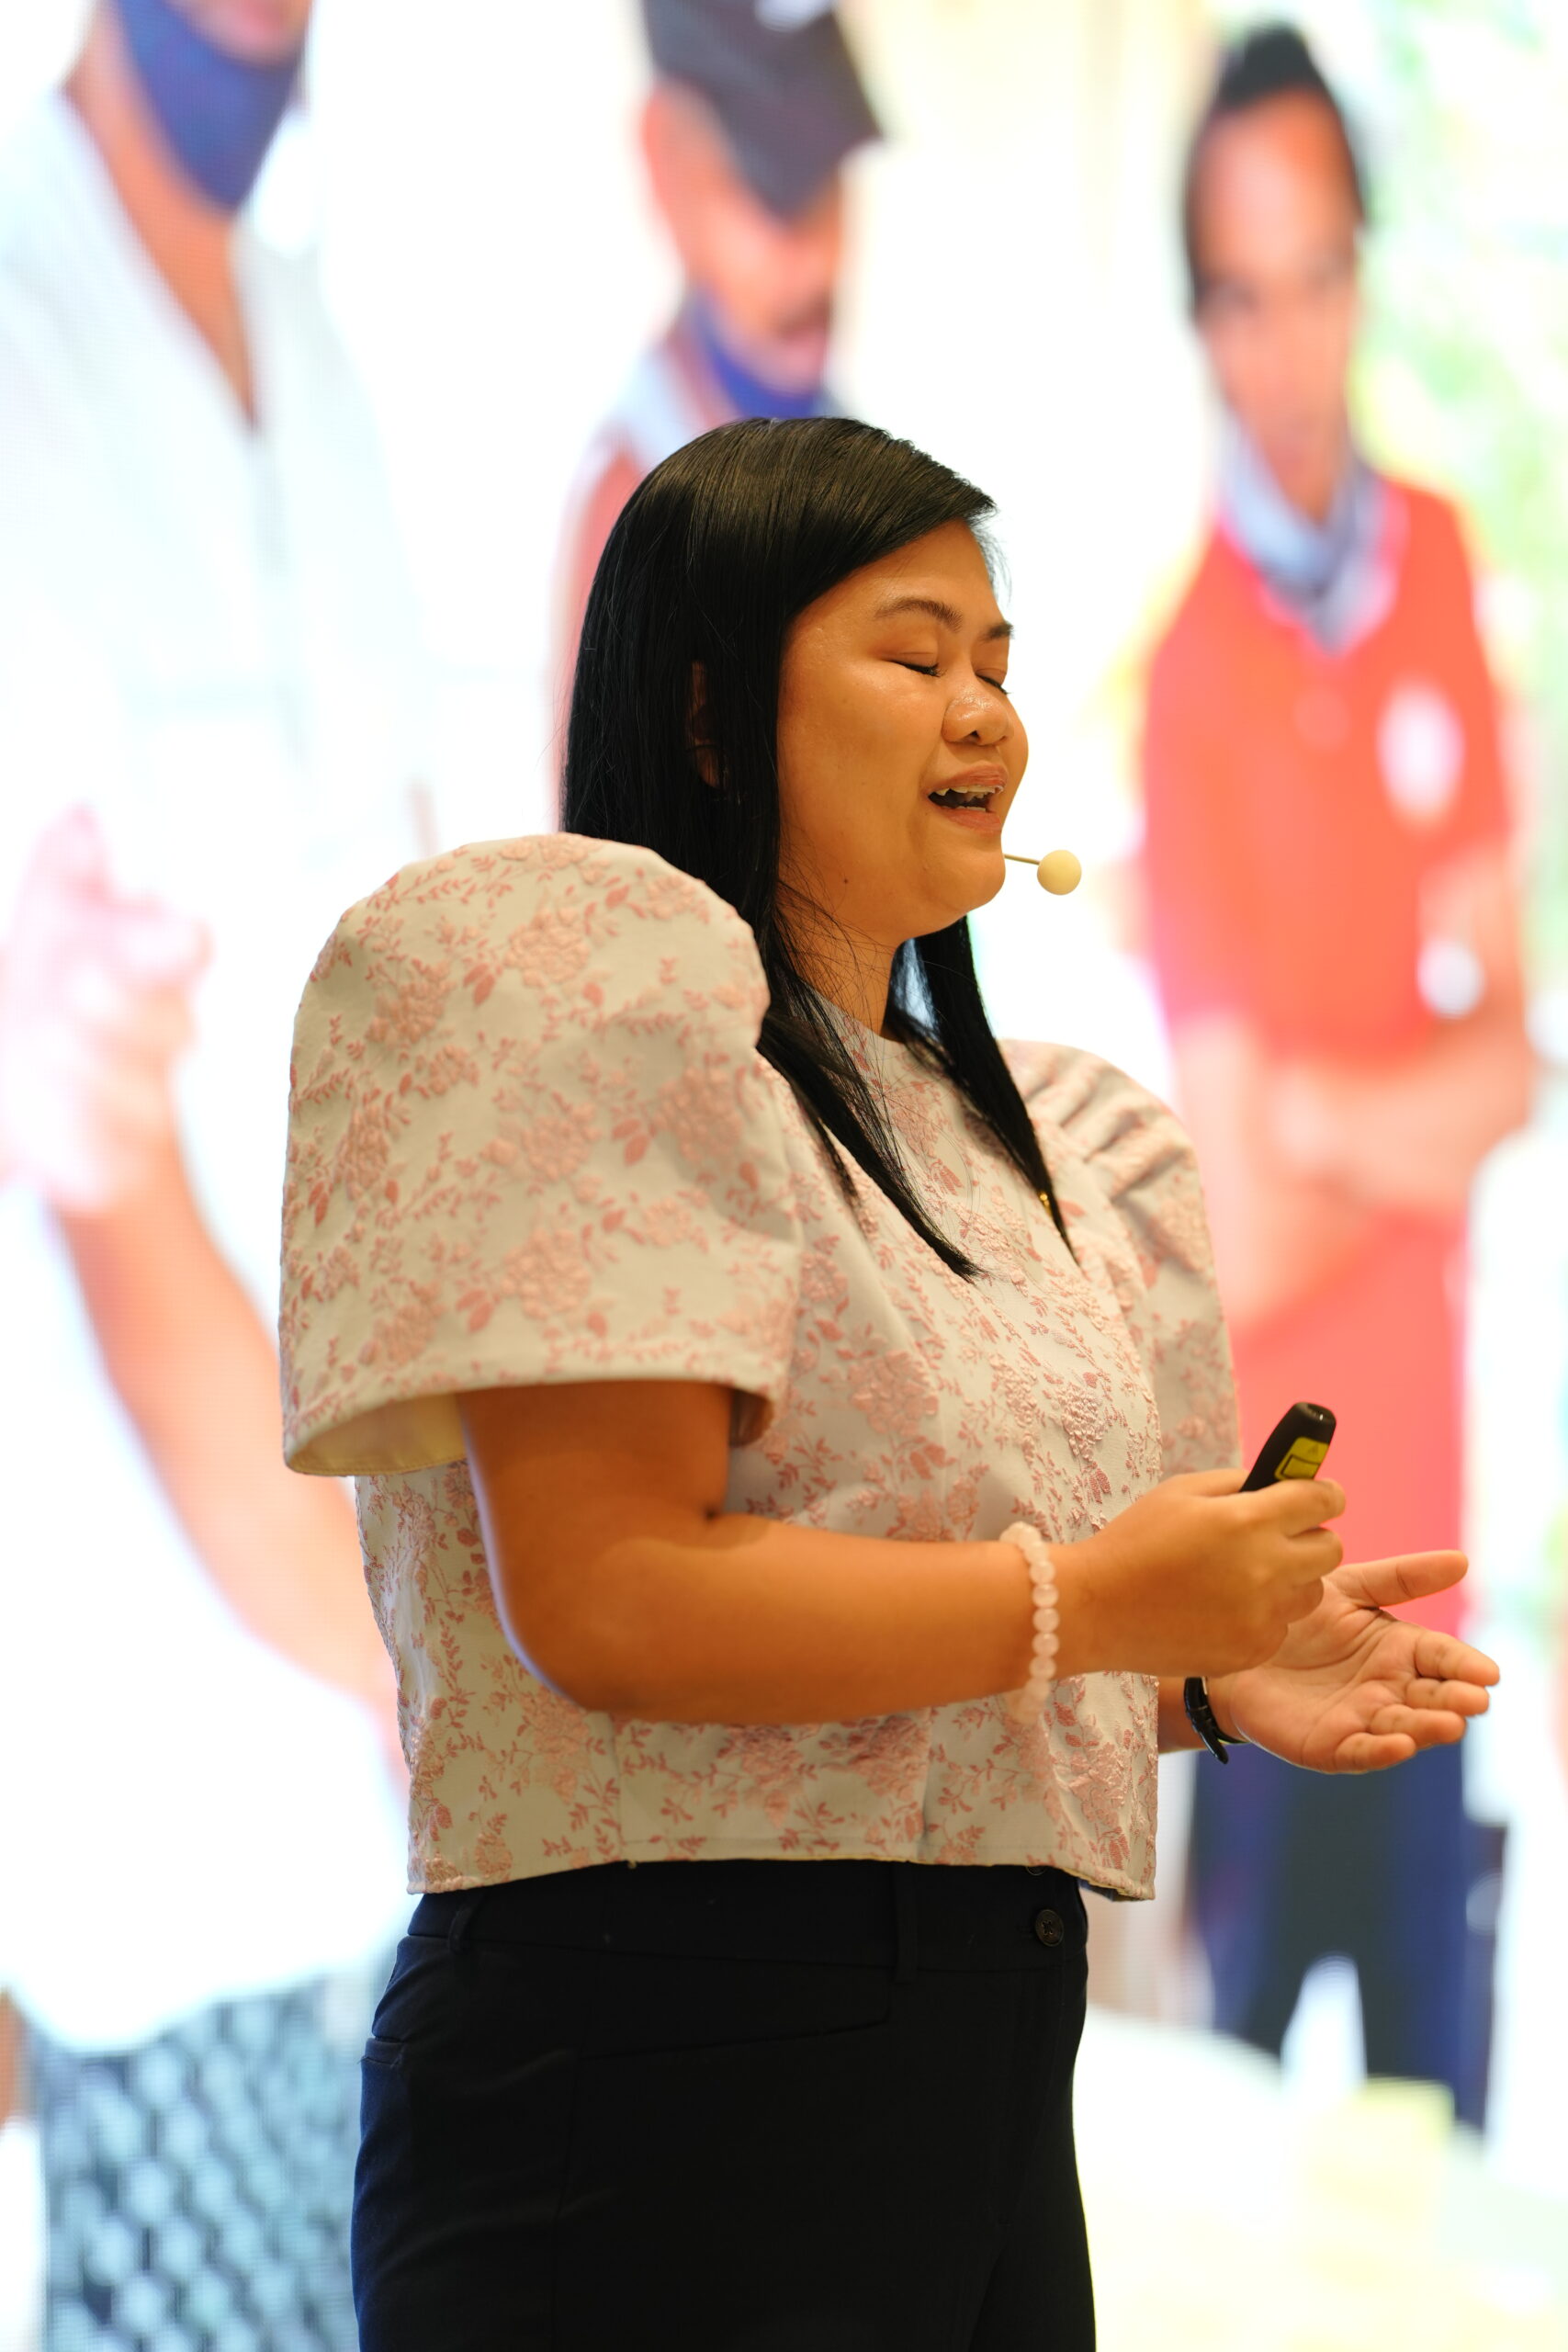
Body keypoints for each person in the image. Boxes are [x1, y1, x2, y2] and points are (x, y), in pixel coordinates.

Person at [279, 415, 1499, 2347]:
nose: (983, 714)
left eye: (997, 665)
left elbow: (933, 1646)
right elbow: (609, 1597)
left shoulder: (1048, 1143)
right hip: (650, 2083)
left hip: (984, 2090)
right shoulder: (576, 996)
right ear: (708, 712)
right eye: (915, 655)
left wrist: (1195, 1671)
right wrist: (1094, 1603)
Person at [0, 0, 431, 2340]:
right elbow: (103, 1175)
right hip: (167, 1845)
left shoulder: (316, 347)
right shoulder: (22, 352)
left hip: (391, 1819)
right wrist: (423, 1629)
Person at [1140, 24, 1532, 2123]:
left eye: (1312, 279)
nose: (1282, 346)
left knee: (1433, 2145)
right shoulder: (1184, 681)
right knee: (1222, 2144)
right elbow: (1247, 1215)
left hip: (1435, 1564)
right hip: (1267, 1577)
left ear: (1361, 275)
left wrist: (1315, 1109)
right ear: (1197, 322)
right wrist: (1399, 1125)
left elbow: (1510, 1065)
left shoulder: (1442, 574)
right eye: (1237, 293)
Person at [551, 0, 878, 696]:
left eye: (824, 171)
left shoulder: (844, 451)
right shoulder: (638, 517)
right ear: (663, 159)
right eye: (764, 186)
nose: (810, 251)